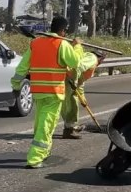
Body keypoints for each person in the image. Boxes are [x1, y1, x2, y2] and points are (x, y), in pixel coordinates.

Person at [12, 16, 80, 169]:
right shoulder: (62, 44)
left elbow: (23, 66)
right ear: (63, 30)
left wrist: (15, 84)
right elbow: (75, 62)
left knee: (41, 121)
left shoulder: (35, 43)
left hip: (38, 90)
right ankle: (35, 158)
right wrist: (76, 47)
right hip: (53, 91)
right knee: (46, 124)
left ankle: (45, 151)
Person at [61, 42, 105, 139]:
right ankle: (69, 130)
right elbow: (78, 67)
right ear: (101, 58)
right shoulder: (92, 59)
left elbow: (81, 81)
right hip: (69, 80)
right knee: (72, 104)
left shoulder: (89, 58)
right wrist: (74, 81)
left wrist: (83, 99)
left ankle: (70, 127)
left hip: (67, 79)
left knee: (67, 105)